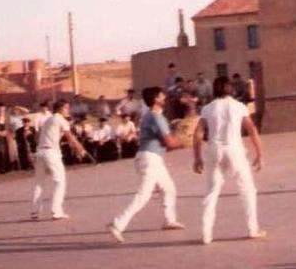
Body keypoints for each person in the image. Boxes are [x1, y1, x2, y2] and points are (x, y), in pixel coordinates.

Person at [107, 86, 186, 243]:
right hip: (150, 159)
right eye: (162, 96)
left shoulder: (151, 116)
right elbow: (169, 142)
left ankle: (169, 220)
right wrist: (183, 141)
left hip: (151, 158)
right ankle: (118, 224)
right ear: (156, 99)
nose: (165, 98)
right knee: (144, 195)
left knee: (168, 188)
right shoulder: (156, 117)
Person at [193, 76, 266, 245]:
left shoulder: (208, 108)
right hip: (235, 149)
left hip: (215, 149)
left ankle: (206, 233)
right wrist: (260, 153)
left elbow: (198, 133)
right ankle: (252, 228)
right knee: (247, 189)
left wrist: (197, 157)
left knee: (212, 191)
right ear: (230, 89)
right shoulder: (239, 106)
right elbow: (251, 129)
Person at [31, 99, 87, 220]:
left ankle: (35, 211)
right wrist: (81, 149)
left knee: (39, 182)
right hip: (51, 153)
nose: (68, 110)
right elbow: (70, 138)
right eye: (67, 108)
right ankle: (56, 211)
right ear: (61, 109)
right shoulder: (61, 120)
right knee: (59, 181)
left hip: (40, 152)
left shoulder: (49, 119)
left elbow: (52, 135)